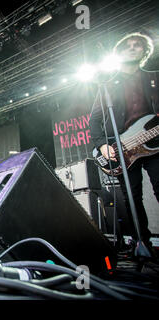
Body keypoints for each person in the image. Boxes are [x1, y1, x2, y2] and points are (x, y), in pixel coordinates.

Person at [89, 32, 159, 249]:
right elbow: (94, 121)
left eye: (137, 44)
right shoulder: (108, 86)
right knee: (132, 196)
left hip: (155, 142)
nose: (132, 47)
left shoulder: (154, 77)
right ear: (118, 53)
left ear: (145, 52)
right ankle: (142, 242)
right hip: (122, 148)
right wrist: (102, 145)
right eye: (127, 45)